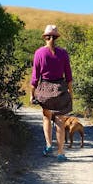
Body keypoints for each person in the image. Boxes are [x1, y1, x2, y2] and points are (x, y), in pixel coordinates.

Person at [30, 24, 73, 160]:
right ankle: (60, 153)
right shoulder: (63, 53)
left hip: (44, 89)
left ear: (45, 37)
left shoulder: (39, 53)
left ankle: (48, 145)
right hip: (60, 88)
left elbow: (35, 77)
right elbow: (69, 75)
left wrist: (32, 94)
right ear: (56, 38)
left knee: (46, 117)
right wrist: (70, 92)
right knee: (60, 121)